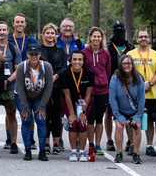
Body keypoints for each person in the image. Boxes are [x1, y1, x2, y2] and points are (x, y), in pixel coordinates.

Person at [13, 43, 54, 161]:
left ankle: (42, 151)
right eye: (31, 54)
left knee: (41, 120)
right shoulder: (22, 67)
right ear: (27, 55)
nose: (34, 56)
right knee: (26, 120)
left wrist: (42, 106)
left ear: (40, 55)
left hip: (39, 96)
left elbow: (48, 88)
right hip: (22, 96)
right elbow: (20, 88)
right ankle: (27, 151)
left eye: (36, 54)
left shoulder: (46, 67)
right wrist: (25, 108)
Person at [128, 29, 156, 157]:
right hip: (134, 93)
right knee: (132, 119)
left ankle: (149, 145)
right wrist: (138, 86)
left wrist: (150, 83)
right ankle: (132, 144)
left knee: (150, 120)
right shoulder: (131, 54)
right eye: (141, 37)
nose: (143, 39)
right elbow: (127, 71)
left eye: (145, 36)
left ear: (149, 39)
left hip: (151, 93)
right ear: (137, 39)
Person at [79, 25, 110, 158]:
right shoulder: (84, 53)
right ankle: (90, 144)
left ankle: (98, 144)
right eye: (94, 36)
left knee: (99, 119)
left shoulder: (106, 53)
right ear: (90, 37)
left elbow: (107, 71)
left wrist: (103, 81)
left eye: (99, 36)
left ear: (101, 38)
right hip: (89, 91)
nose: (96, 38)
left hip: (103, 90)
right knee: (90, 119)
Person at [109, 54, 145, 164]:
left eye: (129, 63)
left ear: (132, 65)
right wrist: (118, 116)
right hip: (120, 110)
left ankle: (136, 153)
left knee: (136, 126)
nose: (127, 65)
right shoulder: (115, 78)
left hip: (134, 110)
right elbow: (112, 98)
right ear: (121, 65)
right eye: (124, 63)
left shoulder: (138, 78)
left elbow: (142, 98)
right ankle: (119, 153)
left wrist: (138, 115)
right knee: (119, 127)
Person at [59, 49, 93, 161]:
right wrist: (72, 114)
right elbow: (67, 96)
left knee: (82, 124)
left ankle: (82, 152)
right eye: (74, 59)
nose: (77, 62)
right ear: (70, 61)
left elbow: (88, 95)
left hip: (84, 102)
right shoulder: (65, 73)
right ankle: (73, 152)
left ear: (83, 61)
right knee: (73, 123)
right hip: (69, 101)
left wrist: (83, 112)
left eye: (79, 59)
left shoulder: (89, 73)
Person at [41, 22, 70, 154]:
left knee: (57, 116)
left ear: (56, 35)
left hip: (57, 86)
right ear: (43, 35)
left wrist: (56, 76)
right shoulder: (39, 49)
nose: (50, 35)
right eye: (47, 33)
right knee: (45, 115)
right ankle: (46, 143)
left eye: (52, 33)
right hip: (42, 87)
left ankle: (56, 143)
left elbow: (64, 67)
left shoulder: (61, 50)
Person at [0, 21, 21, 153]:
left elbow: (17, 69)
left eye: (4, 30)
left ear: (8, 32)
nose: (2, 32)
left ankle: (13, 143)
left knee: (11, 115)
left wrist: (8, 81)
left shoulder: (13, 48)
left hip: (9, 87)